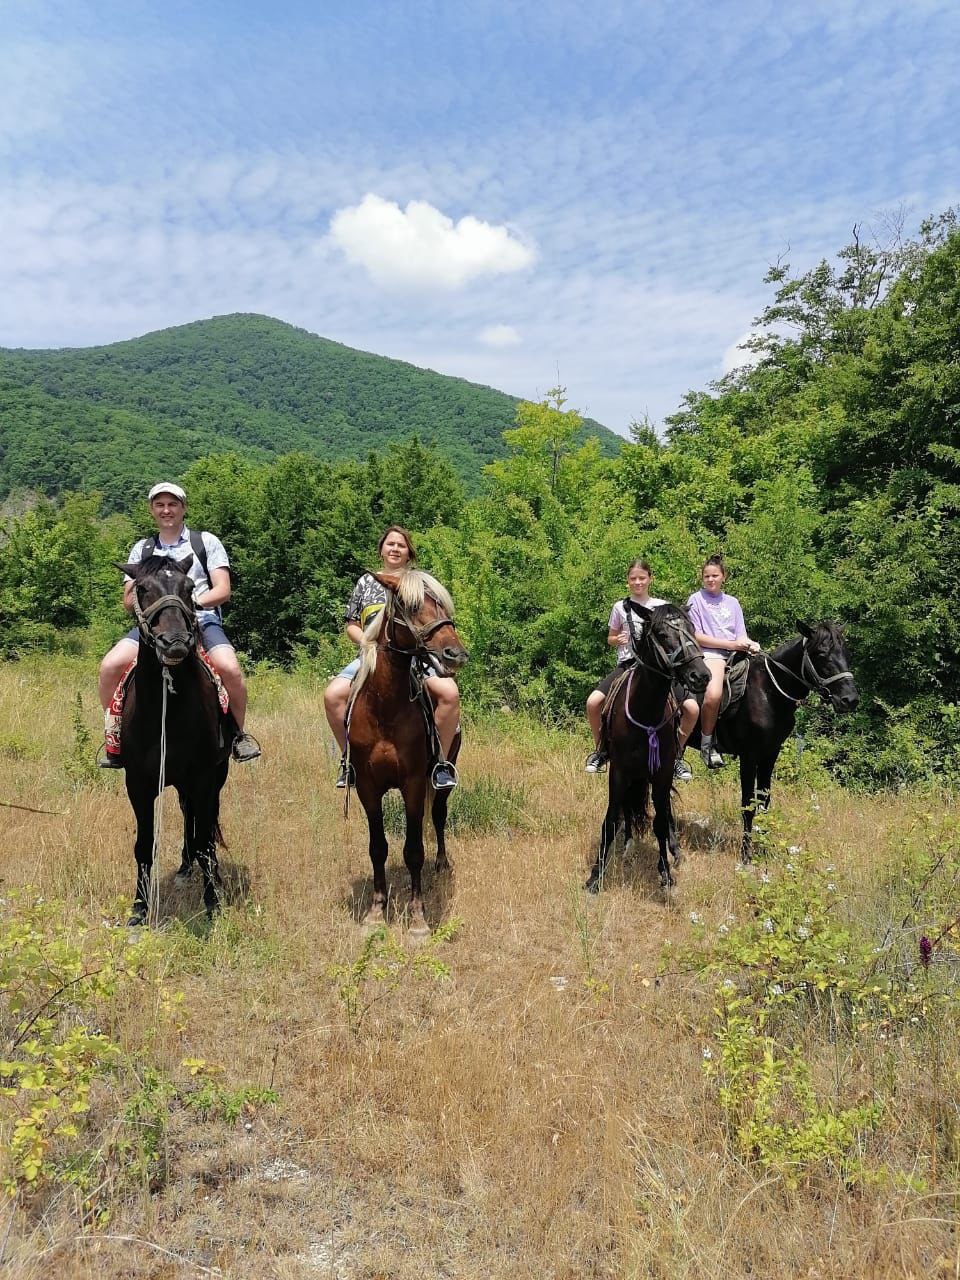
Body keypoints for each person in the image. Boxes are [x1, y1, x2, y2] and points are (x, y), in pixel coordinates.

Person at [97, 482, 261, 766]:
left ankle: (237, 735)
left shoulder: (205, 542)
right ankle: (116, 734)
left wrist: (189, 605)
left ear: (183, 508)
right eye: (159, 505)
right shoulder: (142, 549)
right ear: (152, 510)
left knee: (230, 669)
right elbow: (127, 600)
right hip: (153, 626)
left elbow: (223, 589)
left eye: (172, 504)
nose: (166, 510)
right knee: (110, 666)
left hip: (200, 620)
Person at [323, 525, 461, 791]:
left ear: (409, 553)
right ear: (381, 550)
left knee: (449, 694)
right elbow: (351, 622)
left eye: (401, 545)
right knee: (332, 696)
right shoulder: (365, 583)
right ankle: (349, 762)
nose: (395, 548)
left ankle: (440, 764)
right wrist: (366, 641)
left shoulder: (420, 583)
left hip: (415, 658)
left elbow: (434, 620)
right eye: (390, 544)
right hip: (372, 657)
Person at [584, 559, 700, 781]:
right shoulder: (620, 607)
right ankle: (601, 750)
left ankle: (676, 756)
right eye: (633, 579)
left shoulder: (662, 606)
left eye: (642, 578)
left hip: (660, 670)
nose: (638, 582)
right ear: (628, 582)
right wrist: (617, 639)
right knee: (593, 703)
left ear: (650, 579)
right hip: (628, 664)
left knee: (692, 709)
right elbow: (610, 637)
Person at [686, 554, 759, 770]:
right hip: (710, 654)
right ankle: (707, 743)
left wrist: (751, 644)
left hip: (736, 652)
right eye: (706, 576)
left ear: (723, 577)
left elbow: (741, 635)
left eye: (715, 575)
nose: (710, 579)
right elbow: (696, 636)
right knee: (714, 694)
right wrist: (732, 646)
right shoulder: (695, 600)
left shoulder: (733, 602)